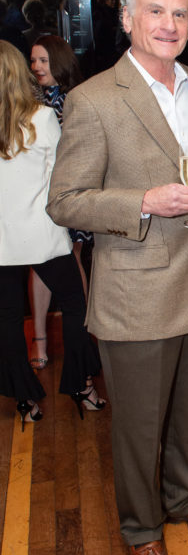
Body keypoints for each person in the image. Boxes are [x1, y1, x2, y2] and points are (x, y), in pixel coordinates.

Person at [47, 0, 188, 555]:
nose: (168, 24)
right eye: (154, 11)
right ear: (127, 18)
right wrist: (141, 202)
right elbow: (66, 199)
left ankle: (185, 497)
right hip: (136, 290)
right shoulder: (93, 99)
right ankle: (141, 529)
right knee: (137, 425)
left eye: (179, 12)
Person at [0, 41, 100, 427]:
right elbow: (62, 177)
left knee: (7, 317)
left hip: (3, 239)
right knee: (75, 304)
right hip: (43, 233)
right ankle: (81, 385)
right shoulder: (42, 118)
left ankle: (26, 400)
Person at [29, 36, 100, 400]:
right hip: (40, 197)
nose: (37, 67)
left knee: (71, 261)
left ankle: (80, 338)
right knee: (40, 265)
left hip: (69, 193)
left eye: (43, 60)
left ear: (58, 60)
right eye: (33, 61)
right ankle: (41, 341)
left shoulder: (76, 100)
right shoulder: (28, 105)